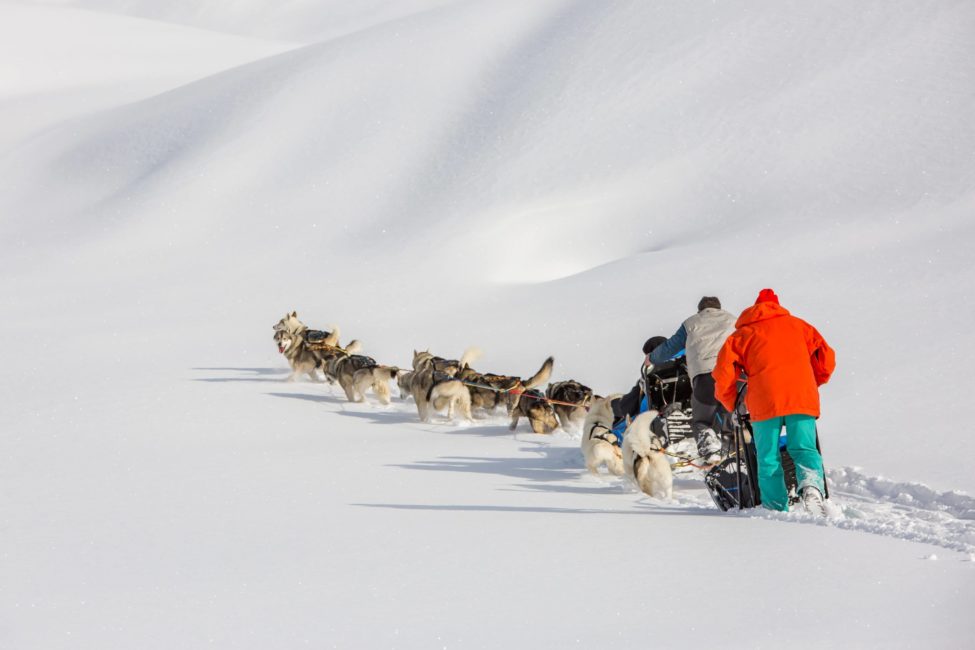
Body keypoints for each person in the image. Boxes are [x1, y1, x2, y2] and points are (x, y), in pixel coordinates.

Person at [712, 288, 835, 514]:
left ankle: (776, 509)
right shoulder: (800, 326)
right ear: (778, 307)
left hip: (764, 399)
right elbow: (826, 359)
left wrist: (732, 403)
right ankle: (811, 487)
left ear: (754, 309)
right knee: (804, 448)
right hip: (801, 397)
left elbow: (723, 374)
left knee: (768, 457)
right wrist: (811, 383)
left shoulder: (742, 335)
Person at [649, 296, 736, 462]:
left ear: (700, 311)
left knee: (702, 421)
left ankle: (710, 450)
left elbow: (669, 347)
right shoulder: (732, 320)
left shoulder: (691, 323)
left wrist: (651, 358)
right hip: (731, 375)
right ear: (719, 309)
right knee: (731, 420)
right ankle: (734, 455)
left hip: (705, 378)